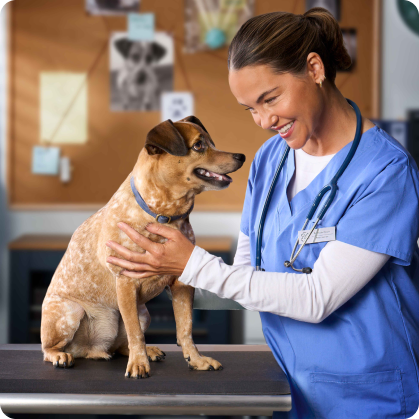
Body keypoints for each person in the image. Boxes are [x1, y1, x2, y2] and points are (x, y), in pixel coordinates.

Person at [105, 8, 419, 418]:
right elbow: (246, 274)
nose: (264, 121)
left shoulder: (386, 173)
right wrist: (156, 272)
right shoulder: (271, 160)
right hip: (292, 389)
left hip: (372, 398)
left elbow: (317, 298)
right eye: (249, 108)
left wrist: (189, 263)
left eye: (270, 98)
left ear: (314, 68)